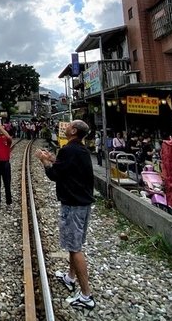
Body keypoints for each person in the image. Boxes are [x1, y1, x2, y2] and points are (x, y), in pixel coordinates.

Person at [35, 120, 96, 311]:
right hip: (83, 203)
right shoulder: (81, 150)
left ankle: (86, 295)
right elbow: (67, 166)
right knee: (73, 244)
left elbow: (55, 175)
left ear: (74, 131)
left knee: (74, 247)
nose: (66, 127)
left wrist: (45, 162)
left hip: (73, 204)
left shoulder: (69, 150)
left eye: (69, 125)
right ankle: (70, 278)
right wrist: (53, 158)